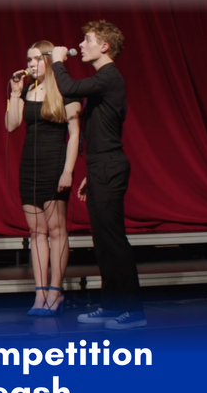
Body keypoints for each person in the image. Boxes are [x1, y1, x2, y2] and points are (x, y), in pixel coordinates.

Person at [52, 21, 145, 330]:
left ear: (104, 46)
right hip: (101, 167)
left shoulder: (109, 77)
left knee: (114, 240)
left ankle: (133, 312)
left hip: (109, 166)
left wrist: (56, 61)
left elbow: (68, 88)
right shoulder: (103, 80)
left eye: (87, 39)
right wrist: (90, 173)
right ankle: (111, 305)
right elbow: (101, 131)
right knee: (103, 242)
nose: (82, 43)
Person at [6, 41, 80, 316]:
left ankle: (55, 291)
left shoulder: (65, 88)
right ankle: (40, 293)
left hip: (55, 163)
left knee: (57, 230)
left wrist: (69, 171)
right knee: (36, 232)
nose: (30, 65)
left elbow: (74, 134)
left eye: (36, 59)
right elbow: (11, 125)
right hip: (30, 166)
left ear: (49, 61)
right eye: (28, 59)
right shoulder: (27, 89)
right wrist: (15, 94)